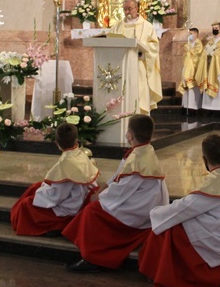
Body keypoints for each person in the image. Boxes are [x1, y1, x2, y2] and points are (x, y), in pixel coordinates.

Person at [138, 134, 220, 287]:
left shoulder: (215, 183)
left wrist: (157, 212)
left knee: (172, 227)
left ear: (204, 159)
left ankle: (165, 275)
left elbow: (186, 207)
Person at [64, 114, 169, 272]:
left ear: (129, 135)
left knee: (92, 212)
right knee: (94, 197)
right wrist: (104, 187)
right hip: (144, 204)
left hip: (138, 212)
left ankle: (93, 258)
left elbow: (121, 191)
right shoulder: (144, 151)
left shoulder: (137, 160)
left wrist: (100, 196)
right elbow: (120, 175)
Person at [10, 123, 99, 236]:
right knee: (36, 186)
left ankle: (53, 226)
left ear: (57, 143)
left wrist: (40, 193)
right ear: (76, 141)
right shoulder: (80, 154)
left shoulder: (65, 164)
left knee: (25, 205)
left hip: (71, 205)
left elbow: (57, 196)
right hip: (82, 195)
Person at [109, 0, 163, 114]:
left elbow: (154, 47)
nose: (127, 12)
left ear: (136, 8)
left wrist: (141, 52)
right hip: (121, 67)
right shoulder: (117, 27)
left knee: (138, 93)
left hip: (139, 65)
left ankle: (139, 119)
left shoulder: (147, 27)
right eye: (125, 10)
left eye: (129, 9)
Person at [197, 22, 220, 114]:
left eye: (216, 28)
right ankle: (209, 107)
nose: (215, 30)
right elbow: (204, 52)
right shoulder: (210, 41)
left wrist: (213, 54)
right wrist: (207, 54)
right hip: (210, 68)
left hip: (219, 69)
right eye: (213, 28)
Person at [178, 28, 203, 112]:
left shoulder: (198, 44)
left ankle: (193, 106)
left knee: (193, 87)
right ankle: (186, 105)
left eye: (191, 34)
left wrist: (190, 52)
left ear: (196, 34)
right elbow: (185, 56)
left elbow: (197, 55)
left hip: (194, 67)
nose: (190, 35)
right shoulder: (187, 44)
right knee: (186, 85)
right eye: (189, 34)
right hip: (187, 67)